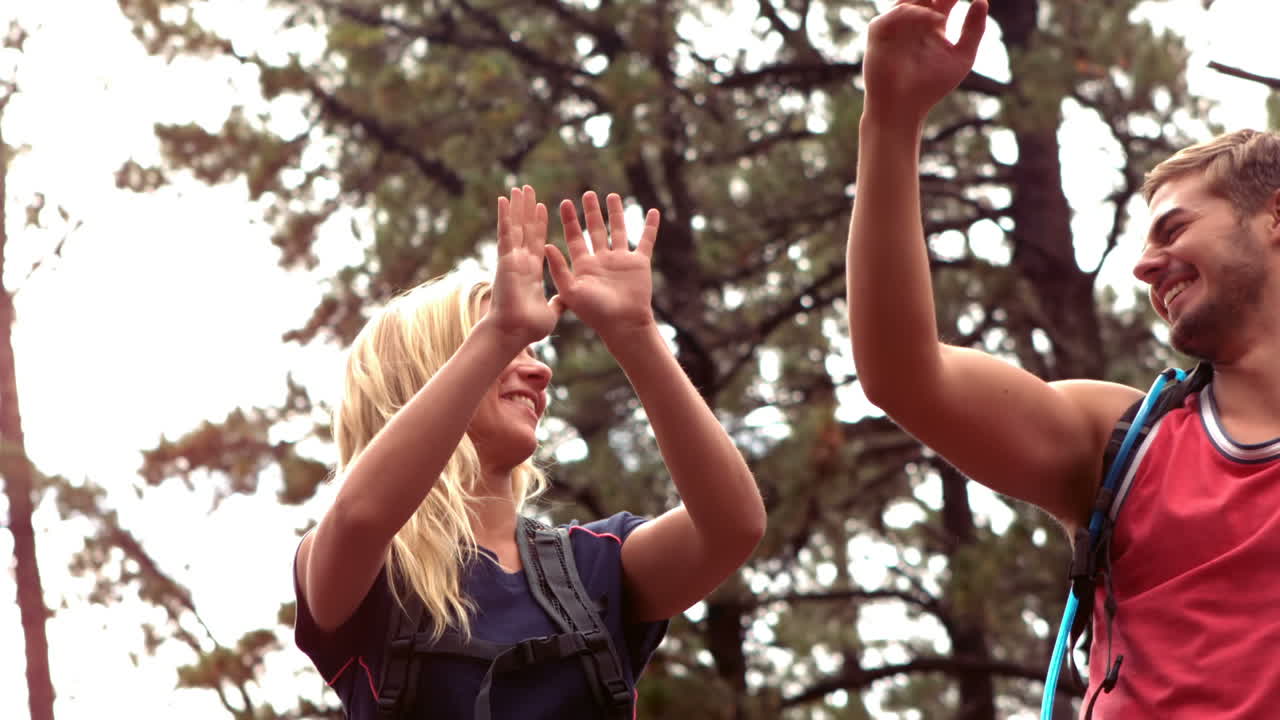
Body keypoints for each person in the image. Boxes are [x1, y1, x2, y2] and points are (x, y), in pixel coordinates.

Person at [847, 0, 1280, 717]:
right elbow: (902, 372)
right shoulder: (1119, 444)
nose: (1144, 266)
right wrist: (890, 123)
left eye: (1173, 228)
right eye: (1142, 245)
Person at [293, 185, 766, 719]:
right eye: (507, 347)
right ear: (426, 377)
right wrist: (497, 333)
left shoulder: (595, 565)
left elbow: (732, 526)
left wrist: (636, 334)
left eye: (531, 349)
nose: (540, 371)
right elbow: (359, 516)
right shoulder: (370, 572)